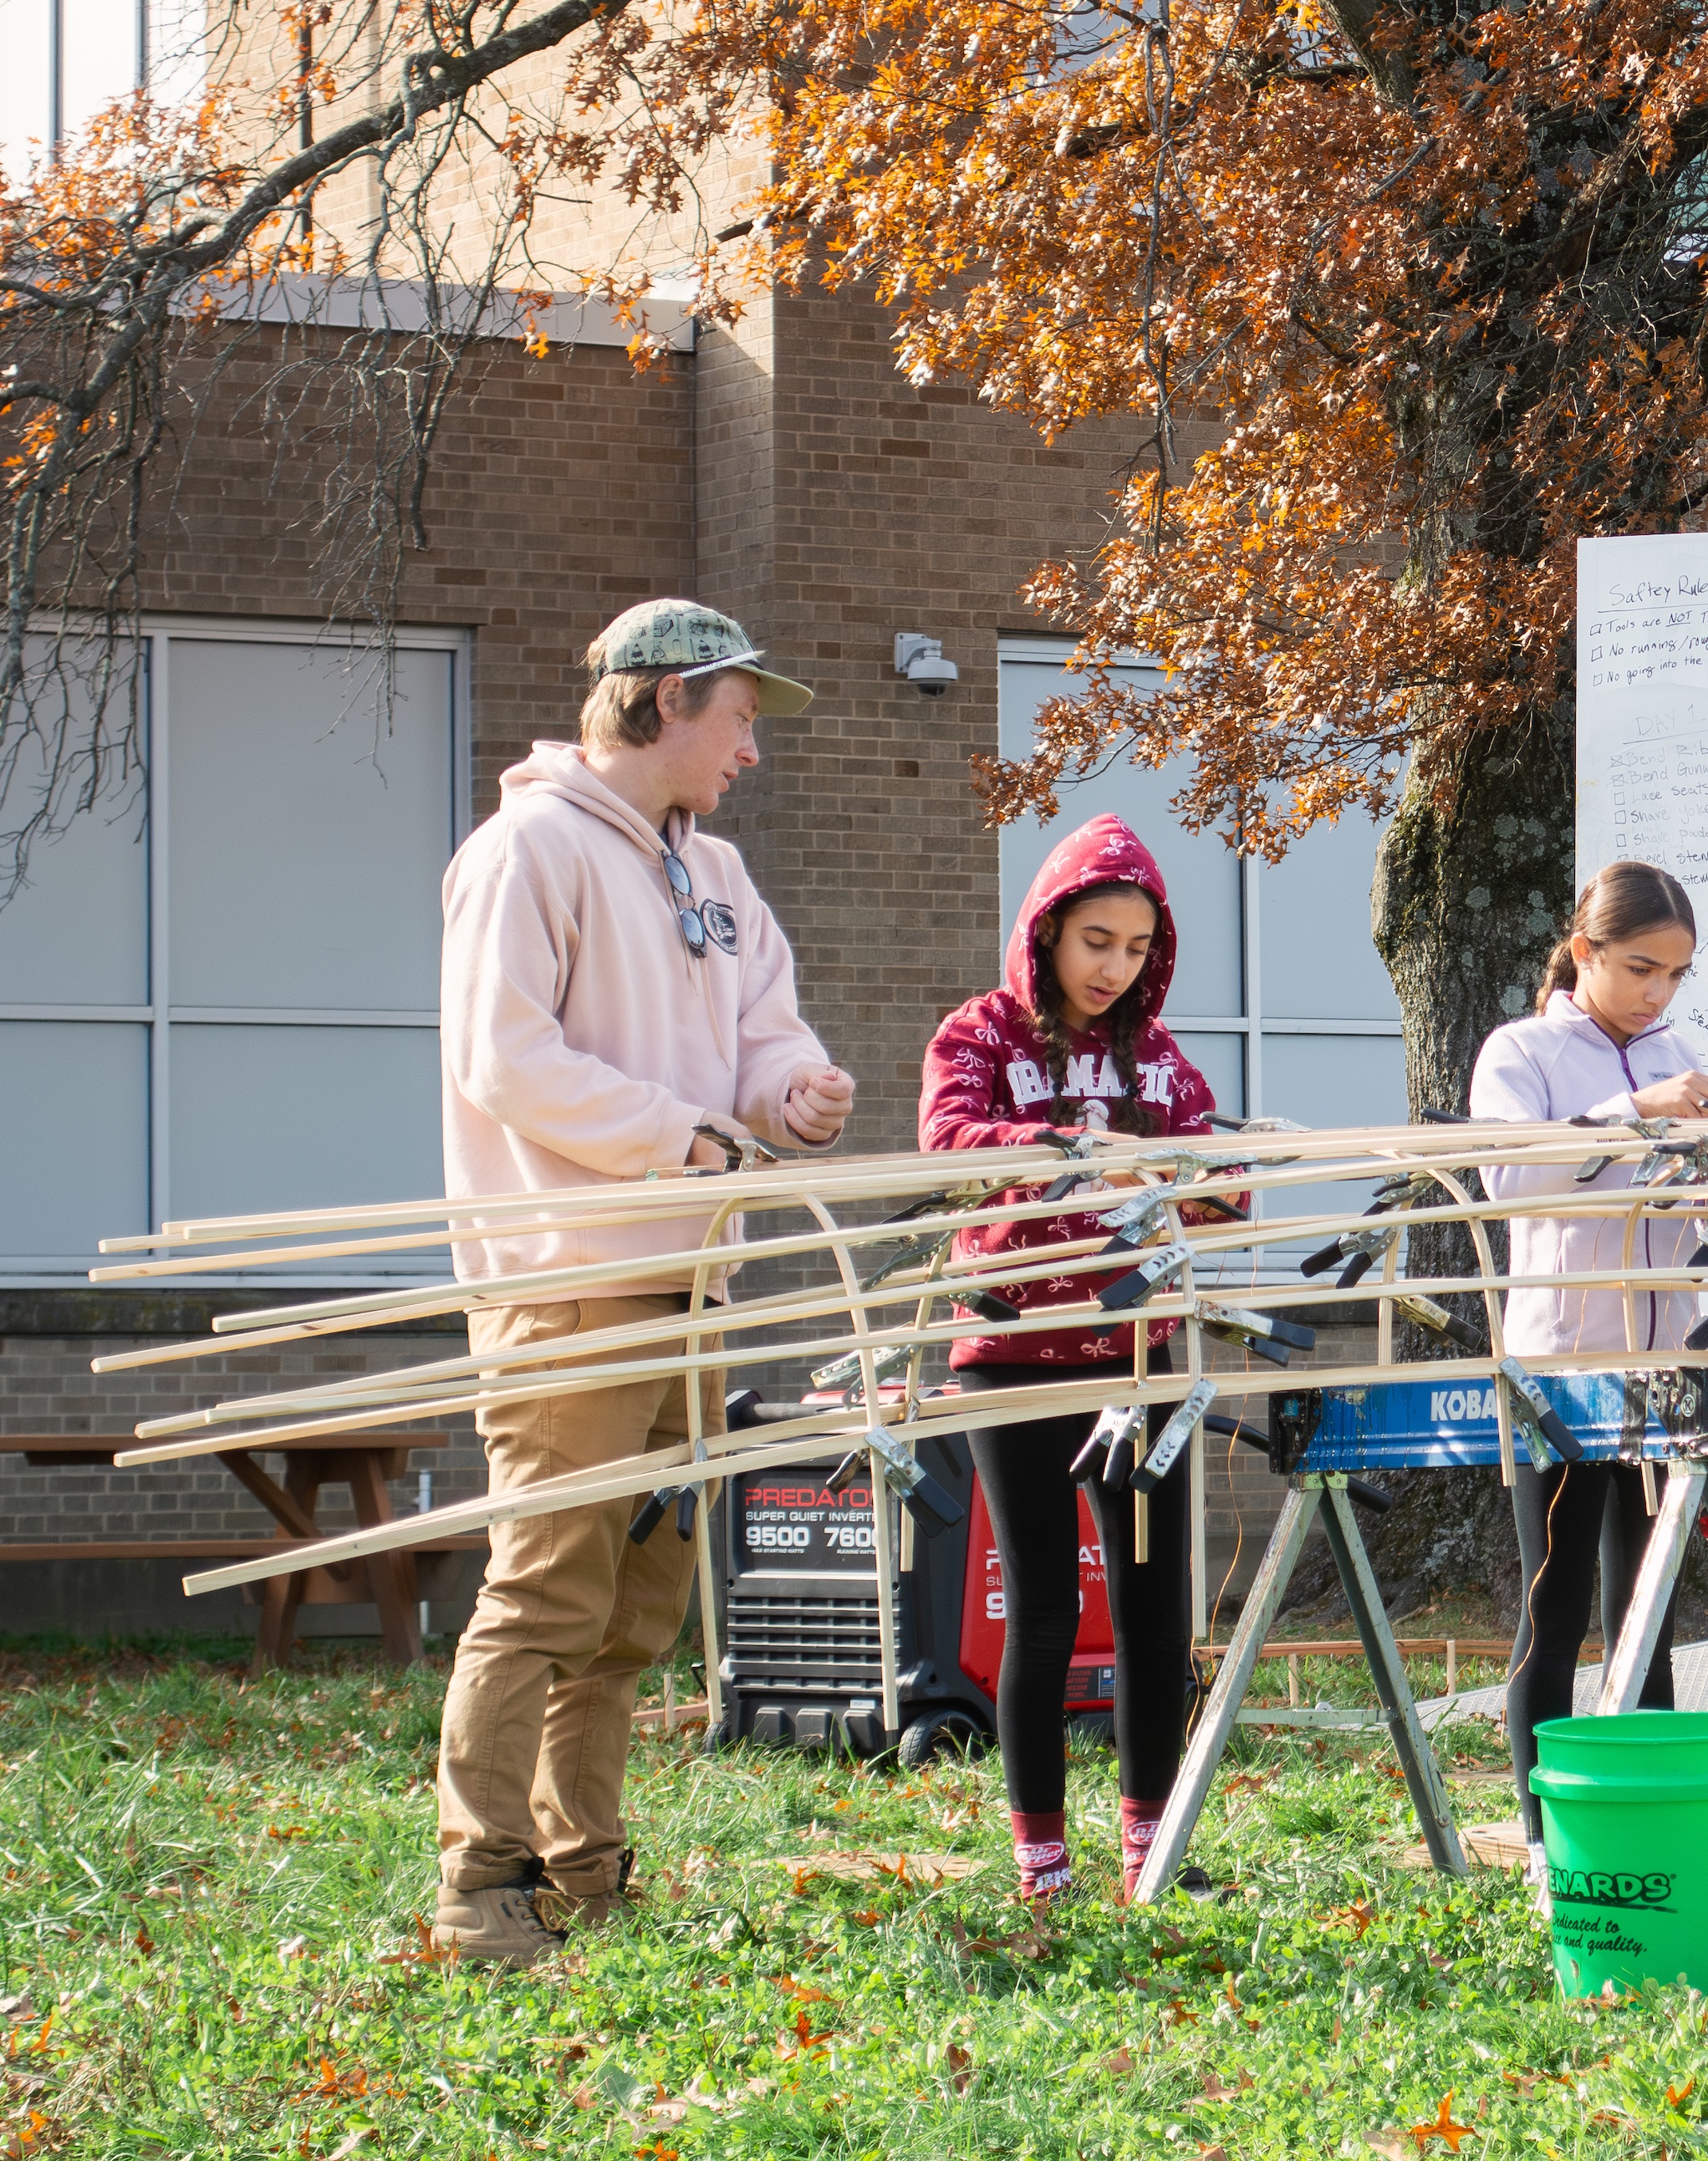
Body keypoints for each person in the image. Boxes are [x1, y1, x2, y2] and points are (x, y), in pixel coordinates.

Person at [431, 599, 854, 1964]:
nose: (751, 749)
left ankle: (583, 1867)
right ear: (665, 701)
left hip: (696, 1294)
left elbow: (760, 1031)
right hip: (567, 1283)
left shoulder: (717, 874)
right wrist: (674, 1134)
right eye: (739, 717)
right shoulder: (526, 852)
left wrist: (793, 1092)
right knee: (548, 1585)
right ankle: (480, 1885)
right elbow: (505, 1056)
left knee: (639, 1607)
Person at [922, 813, 1227, 1901]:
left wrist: (1214, 1169)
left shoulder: (1156, 1056)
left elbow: (1220, 1184)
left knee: (1154, 1613)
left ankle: (1153, 1852)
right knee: (1044, 1612)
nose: (1116, 967)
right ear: (1048, 929)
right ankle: (1042, 1864)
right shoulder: (980, 1034)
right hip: (1014, 1357)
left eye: (1138, 948)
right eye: (1097, 940)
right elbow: (950, 1145)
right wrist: (1069, 1151)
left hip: (1142, 1360)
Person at [1469, 862, 1708, 1895]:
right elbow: (1509, 1176)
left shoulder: (1681, 1053)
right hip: (1565, 1358)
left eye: (1675, 972)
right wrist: (1635, 1114)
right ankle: (1544, 1836)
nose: (1657, 993)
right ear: (1582, 951)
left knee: (1650, 1602)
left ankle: (1645, 1819)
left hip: (1664, 1358)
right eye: (1638, 967)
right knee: (1556, 1599)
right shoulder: (1523, 1048)